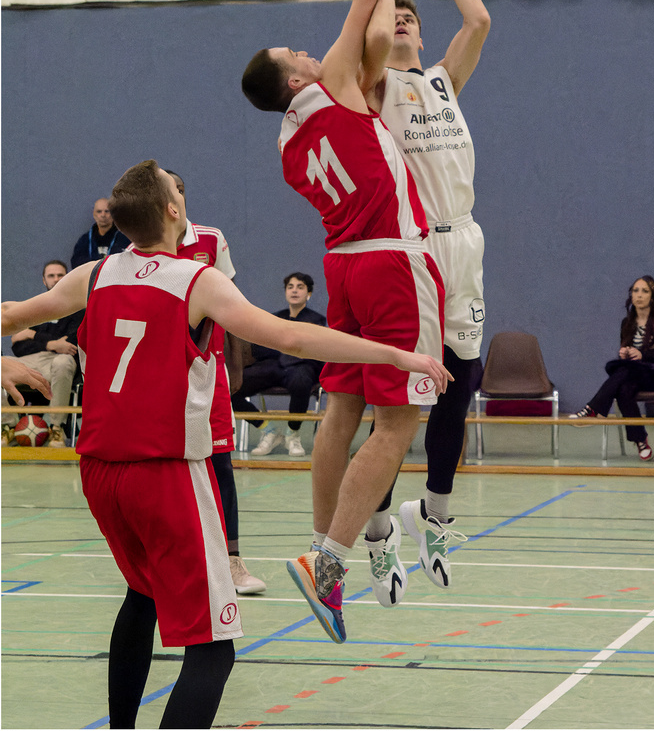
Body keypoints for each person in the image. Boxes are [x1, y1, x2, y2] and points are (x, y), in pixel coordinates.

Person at [1, 159, 447, 725]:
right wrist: (396, 353)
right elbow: (291, 336)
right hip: (162, 473)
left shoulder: (93, 274)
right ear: (172, 209)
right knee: (214, 649)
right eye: (172, 186)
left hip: (98, 471)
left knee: (142, 597)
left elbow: (11, 313)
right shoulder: (195, 279)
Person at [242, 0, 449, 641]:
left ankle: (321, 547)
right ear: (294, 81)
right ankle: (327, 559)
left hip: (343, 265)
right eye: (290, 55)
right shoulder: (328, 81)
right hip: (394, 259)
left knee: (342, 412)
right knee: (399, 421)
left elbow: (372, 23)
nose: (302, 50)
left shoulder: (289, 143)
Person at [360, 0, 490, 590]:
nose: (404, 20)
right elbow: (372, 34)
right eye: (397, 15)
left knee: (460, 386)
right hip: (413, 251)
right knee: (397, 404)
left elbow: (478, 23)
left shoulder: (442, 79)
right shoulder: (376, 85)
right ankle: (377, 529)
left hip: (463, 241)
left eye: (412, 14)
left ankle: (431, 514)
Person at [165, 169, 266, 596]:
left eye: (182, 189)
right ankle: (178, 561)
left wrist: (237, 364)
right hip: (164, 373)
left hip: (209, 370)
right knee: (167, 468)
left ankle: (232, 562)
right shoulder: (138, 248)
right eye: (172, 191)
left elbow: (234, 305)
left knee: (220, 464)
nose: (179, 198)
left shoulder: (210, 239)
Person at [570, 275, 654, 461]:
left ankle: (593, 408)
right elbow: (628, 353)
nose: (639, 295)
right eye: (635, 291)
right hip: (636, 374)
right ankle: (641, 440)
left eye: (644, 291)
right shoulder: (627, 323)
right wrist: (625, 353)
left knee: (624, 372)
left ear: (652, 297)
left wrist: (643, 355)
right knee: (623, 388)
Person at [234, 272, 326, 457]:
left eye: (300, 287)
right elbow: (261, 349)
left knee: (301, 381)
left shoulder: (316, 320)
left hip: (301, 366)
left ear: (309, 293)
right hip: (275, 366)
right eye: (290, 287)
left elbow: (314, 352)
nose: (294, 291)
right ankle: (268, 430)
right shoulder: (274, 319)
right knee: (232, 386)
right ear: (285, 292)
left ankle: (293, 433)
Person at [2, 260, 83, 447]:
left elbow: (71, 345)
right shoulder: (34, 307)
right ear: (44, 281)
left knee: (63, 361)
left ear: (68, 278)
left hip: (61, 363)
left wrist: (32, 335)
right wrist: (51, 343)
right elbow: (19, 346)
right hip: (32, 361)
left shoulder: (78, 308)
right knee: (2, 362)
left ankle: (56, 429)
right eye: (51, 276)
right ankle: (7, 427)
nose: (56, 279)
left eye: (60, 275)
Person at [70, 198, 130, 268]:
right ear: (94, 214)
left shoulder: (124, 239)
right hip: (90, 277)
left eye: (107, 211)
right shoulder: (85, 240)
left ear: (113, 214)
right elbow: (76, 264)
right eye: (99, 211)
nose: (103, 215)